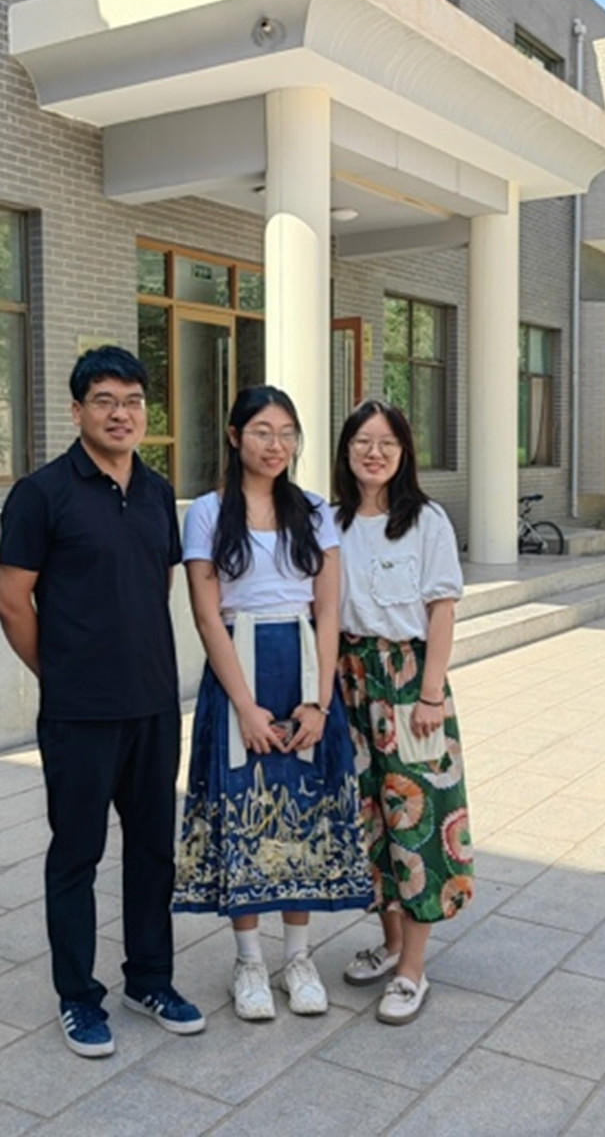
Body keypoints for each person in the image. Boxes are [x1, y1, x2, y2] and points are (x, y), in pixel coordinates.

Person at [0, 345, 205, 1058]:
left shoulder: (154, 491)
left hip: (152, 705)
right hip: (79, 712)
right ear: (78, 409)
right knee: (77, 854)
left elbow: (158, 586)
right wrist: (61, 670)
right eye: (106, 400)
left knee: (153, 851)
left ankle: (150, 978)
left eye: (134, 401)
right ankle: (77, 997)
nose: (122, 413)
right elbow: (12, 601)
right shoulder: (42, 493)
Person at [173, 384, 371, 1021]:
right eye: (262, 430)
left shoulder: (316, 511)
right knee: (243, 811)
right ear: (235, 437)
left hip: (305, 666)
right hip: (239, 669)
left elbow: (328, 609)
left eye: (287, 432)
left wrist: (319, 703)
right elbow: (207, 617)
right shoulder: (206, 512)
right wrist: (245, 707)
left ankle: (299, 957)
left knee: (303, 814)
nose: (276, 444)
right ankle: (249, 962)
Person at [331, 399, 474, 1025]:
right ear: (346, 450)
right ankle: (391, 947)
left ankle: (414, 969)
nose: (374, 453)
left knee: (417, 822)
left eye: (387, 443)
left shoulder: (426, 520)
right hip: (350, 682)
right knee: (369, 822)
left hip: (410, 682)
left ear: (403, 451)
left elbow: (442, 608)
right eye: (363, 441)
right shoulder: (328, 522)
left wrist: (431, 694)